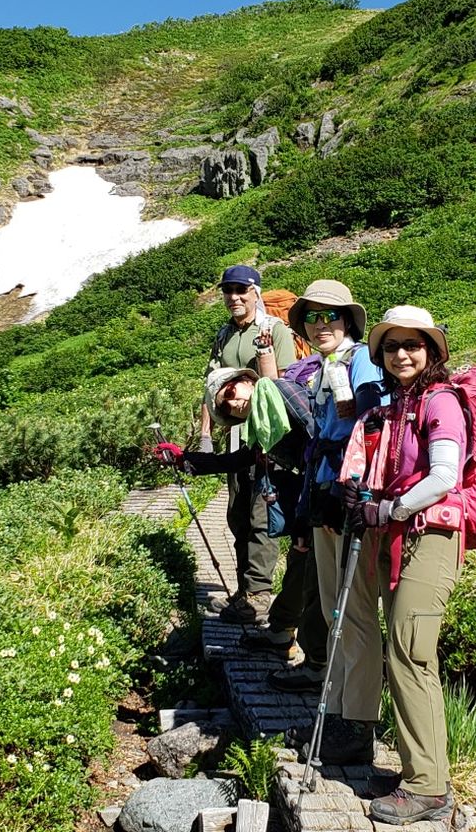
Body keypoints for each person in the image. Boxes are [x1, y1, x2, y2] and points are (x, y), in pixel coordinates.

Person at [344, 305, 465, 827]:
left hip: (430, 535)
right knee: (402, 650)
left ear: (431, 351)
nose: (401, 354)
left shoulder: (441, 402)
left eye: (413, 345)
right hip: (401, 537)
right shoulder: (399, 405)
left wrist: (390, 509)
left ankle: (428, 788)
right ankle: (421, 774)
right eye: (392, 346)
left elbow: (444, 475)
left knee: (412, 654)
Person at [155, 366, 327, 670]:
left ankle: (317, 667)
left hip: (327, 492)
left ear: (248, 381)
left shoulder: (280, 392)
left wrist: (310, 512)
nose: (233, 404)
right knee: (300, 570)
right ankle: (279, 633)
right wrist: (184, 459)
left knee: (315, 580)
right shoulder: (261, 424)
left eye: (231, 392)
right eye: (225, 405)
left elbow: (320, 442)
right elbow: (237, 460)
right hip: (310, 498)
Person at [278, 279, 385, 760]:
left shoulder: (360, 359)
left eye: (331, 316)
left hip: (349, 497)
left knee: (353, 615)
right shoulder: (325, 366)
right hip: (325, 495)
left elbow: (371, 420)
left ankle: (356, 724)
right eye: (313, 317)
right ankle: (338, 711)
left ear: (349, 321)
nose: (321, 325)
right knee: (331, 610)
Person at [202, 265, 297, 625]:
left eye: (241, 290)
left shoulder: (275, 331)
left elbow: (283, 385)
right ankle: (245, 591)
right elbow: (211, 388)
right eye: (228, 290)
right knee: (237, 511)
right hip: (235, 436)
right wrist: (205, 437)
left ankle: (258, 595)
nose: (234, 297)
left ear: (256, 290)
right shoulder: (224, 334)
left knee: (261, 514)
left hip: (267, 436)